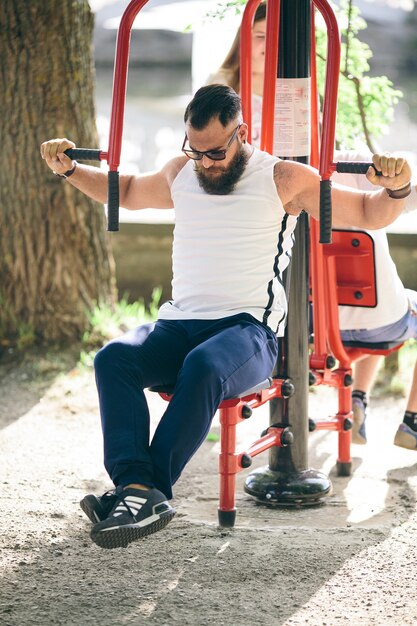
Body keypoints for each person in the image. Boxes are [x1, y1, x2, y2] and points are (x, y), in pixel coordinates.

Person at [40, 85, 411, 549]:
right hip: (178, 324)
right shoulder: (183, 171)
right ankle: (137, 488)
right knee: (114, 358)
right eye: (196, 152)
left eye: (216, 151)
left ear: (242, 133)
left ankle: (141, 493)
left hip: (247, 332)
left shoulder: (283, 178)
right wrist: (70, 169)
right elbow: (130, 192)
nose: (207, 162)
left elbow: (369, 213)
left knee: (205, 365)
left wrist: (397, 185)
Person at [334, 151, 417, 450]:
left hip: (317, 327)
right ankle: (413, 421)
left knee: (362, 299)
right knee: (383, 301)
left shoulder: (280, 175)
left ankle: (358, 400)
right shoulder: (356, 164)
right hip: (383, 322)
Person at [207, 2, 266, 147]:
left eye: (278, 37)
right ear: (244, 37)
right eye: (261, 36)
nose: (270, 43)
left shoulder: (292, 83)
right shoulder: (222, 80)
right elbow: (205, 133)